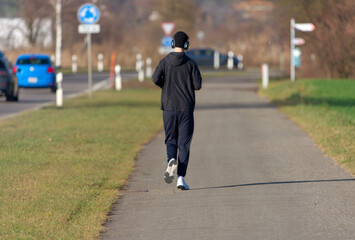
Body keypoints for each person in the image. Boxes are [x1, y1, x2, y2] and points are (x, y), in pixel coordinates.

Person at [152, 31, 202, 190]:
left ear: (173, 44)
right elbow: (197, 85)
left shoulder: (164, 62)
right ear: (187, 45)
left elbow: (155, 79)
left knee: (171, 139)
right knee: (184, 144)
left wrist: (165, 87)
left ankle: (171, 160)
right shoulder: (191, 64)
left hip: (168, 107)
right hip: (186, 108)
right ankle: (181, 177)